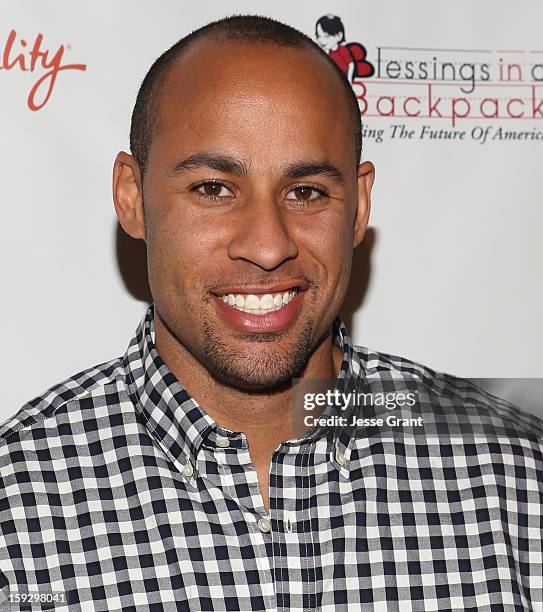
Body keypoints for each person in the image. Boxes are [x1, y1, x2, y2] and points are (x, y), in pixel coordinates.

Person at [1, 14, 542, 612]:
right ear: (131, 196)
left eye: (306, 192)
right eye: (214, 188)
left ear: (359, 207)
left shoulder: (513, 475)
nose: (266, 245)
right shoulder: (17, 501)